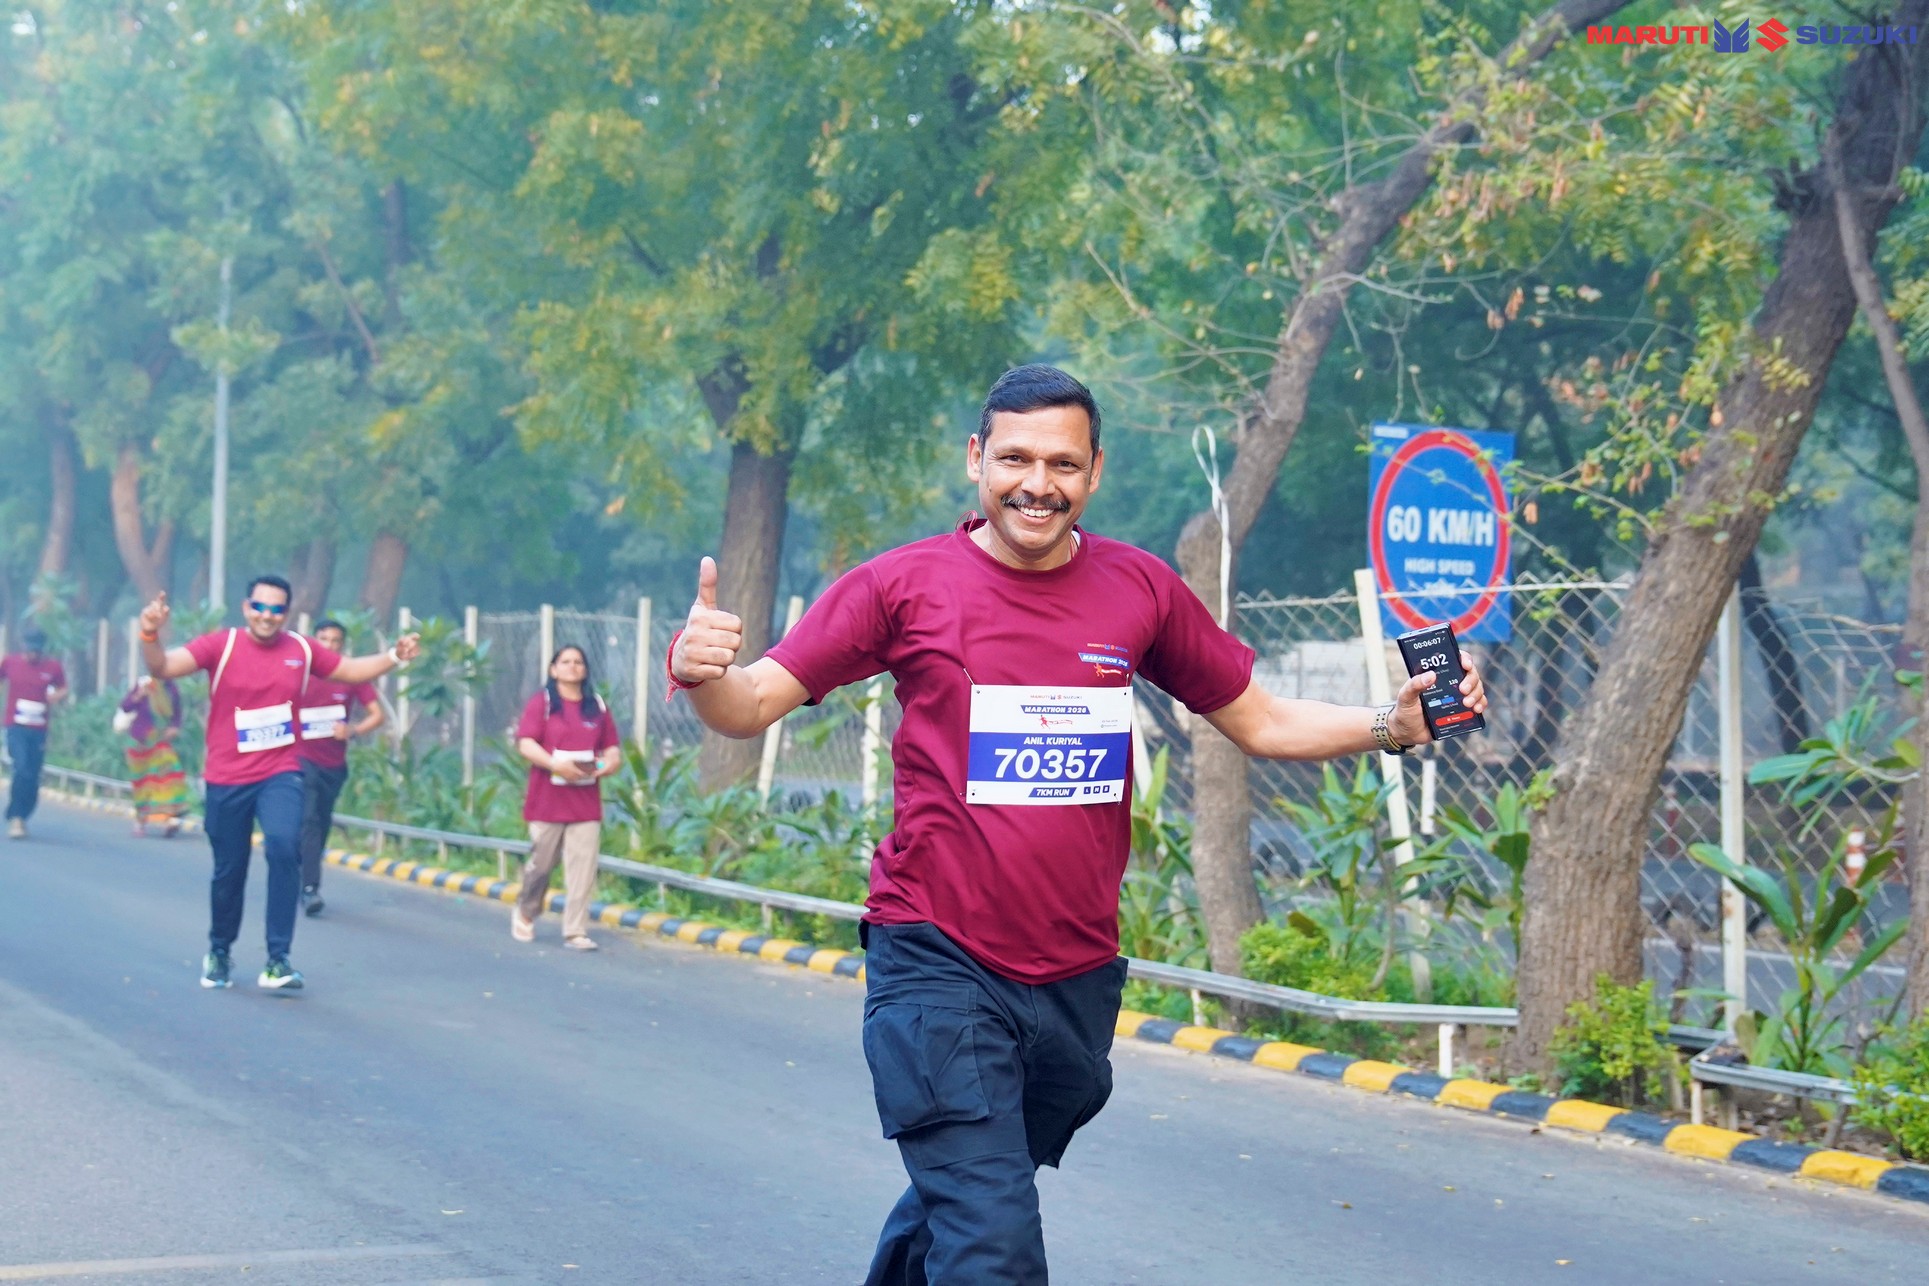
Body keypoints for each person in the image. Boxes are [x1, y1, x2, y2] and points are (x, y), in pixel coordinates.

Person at [669, 365, 1490, 1285]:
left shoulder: (1138, 589)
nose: (1037, 484)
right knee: (993, 1246)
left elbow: (1261, 722)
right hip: (936, 957)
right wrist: (704, 673)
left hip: (1073, 979)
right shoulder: (899, 586)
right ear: (976, 459)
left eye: (1061, 464)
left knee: (962, 1207)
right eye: (1014, 458)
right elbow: (749, 705)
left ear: (1093, 471)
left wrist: (1391, 724)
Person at [139, 577, 419, 991]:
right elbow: (161, 667)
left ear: (286, 614)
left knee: (285, 847)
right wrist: (149, 632)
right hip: (227, 777)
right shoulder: (221, 645)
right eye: (260, 607)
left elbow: (349, 670)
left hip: (280, 770)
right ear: (246, 607)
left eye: (276, 610)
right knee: (229, 870)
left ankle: (277, 959)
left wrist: (394, 655)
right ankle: (220, 950)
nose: (267, 616)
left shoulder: (301, 649)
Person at [511, 644, 621, 950]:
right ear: (553, 669)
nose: (572, 666)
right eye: (565, 661)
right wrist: (554, 764)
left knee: (583, 870)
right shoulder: (543, 704)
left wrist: (602, 766)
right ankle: (526, 910)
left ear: (585, 670)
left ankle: (575, 930)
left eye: (578, 662)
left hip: (585, 804)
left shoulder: (596, 707)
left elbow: (612, 749)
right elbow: (526, 743)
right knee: (542, 865)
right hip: (547, 801)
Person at [294, 618, 386, 917]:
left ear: (343, 645)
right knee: (307, 819)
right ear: (314, 641)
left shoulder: (351, 675)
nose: (330, 646)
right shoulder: (300, 672)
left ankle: (303, 872)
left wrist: (352, 730)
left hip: (333, 763)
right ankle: (310, 888)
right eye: (324, 639)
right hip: (299, 757)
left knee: (320, 823)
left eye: (336, 641)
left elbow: (377, 715)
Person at [2, 624, 68, 840]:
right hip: (16, 726)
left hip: (38, 729)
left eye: (37, 651)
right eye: (30, 650)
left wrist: (56, 696)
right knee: (21, 769)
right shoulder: (11, 663)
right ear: (24, 647)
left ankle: (22, 812)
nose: (33, 655)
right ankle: (17, 818)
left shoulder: (52, 667)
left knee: (32, 775)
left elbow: (63, 687)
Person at [118, 676, 191, 837]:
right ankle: (140, 821)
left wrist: (174, 728)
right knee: (142, 784)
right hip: (140, 743)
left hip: (161, 742)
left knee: (168, 778)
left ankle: (170, 818)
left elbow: (177, 715)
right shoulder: (143, 684)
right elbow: (126, 706)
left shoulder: (172, 689)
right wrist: (139, 695)